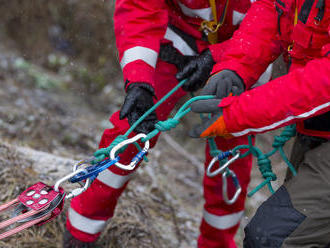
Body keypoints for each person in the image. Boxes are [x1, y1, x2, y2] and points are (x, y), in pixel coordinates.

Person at [63, 1, 272, 247]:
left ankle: (217, 243)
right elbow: (139, 8)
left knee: (231, 155)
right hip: (176, 38)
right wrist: (138, 80)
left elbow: (273, 24)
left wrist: (219, 56)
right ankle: (80, 232)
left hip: (246, 50)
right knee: (132, 132)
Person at [189, 0, 330, 246]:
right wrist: (236, 67)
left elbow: (323, 82)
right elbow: (273, 12)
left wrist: (237, 115)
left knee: (273, 238)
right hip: (316, 129)